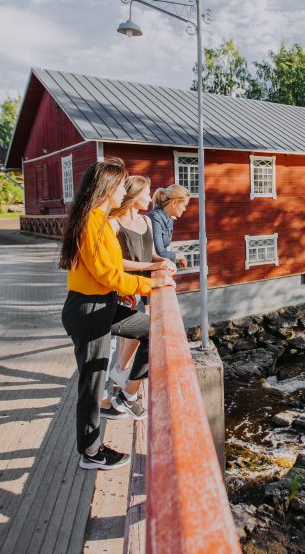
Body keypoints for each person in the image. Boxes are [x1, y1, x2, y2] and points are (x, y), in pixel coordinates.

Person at [58, 158, 174, 470]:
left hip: (101, 304)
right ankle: (91, 453)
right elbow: (109, 273)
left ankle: (125, 394)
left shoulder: (98, 218)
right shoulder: (92, 222)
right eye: (121, 185)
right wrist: (150, 284)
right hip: (88, 310)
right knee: (91, 384)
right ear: (108, 188)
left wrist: (127, 288)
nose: (124, 190)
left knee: (152, 330)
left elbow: (107, 272)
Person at [104, 175, 175, 415]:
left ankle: (123, 378)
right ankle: (123, 382)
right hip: (123, 287)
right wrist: (153, 268)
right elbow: (115, 262)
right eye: (146, 193)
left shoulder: (145, 221)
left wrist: (164, 262)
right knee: (144, 332)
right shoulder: (113, 223)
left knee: (140, 333)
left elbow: (153, 254)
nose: (151, 197)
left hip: (143, 285)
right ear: (134, 196)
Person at [147, 184, 191, 269]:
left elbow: (163, 250)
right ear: (174, 203)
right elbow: (159, 253)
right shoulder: (155, 217)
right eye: (184, 205)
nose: (184, 209)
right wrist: (179, 256)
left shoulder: (169, 219)